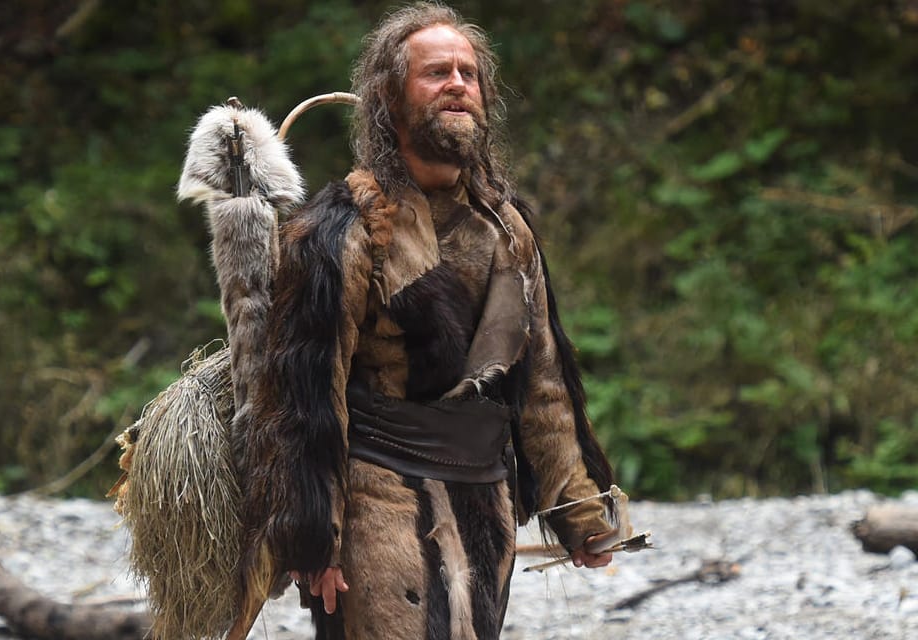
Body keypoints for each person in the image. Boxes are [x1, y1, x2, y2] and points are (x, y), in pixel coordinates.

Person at [189, 3, 621, 639]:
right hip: (377, 500)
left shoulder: (507, 227)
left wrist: (580, 511)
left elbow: (545, 389)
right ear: (390, 99)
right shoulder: (342, 232)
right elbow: (307, 398)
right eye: (436, 72)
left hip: (484, 500)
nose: (457, 85)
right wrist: (315, 537)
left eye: (468, 74)